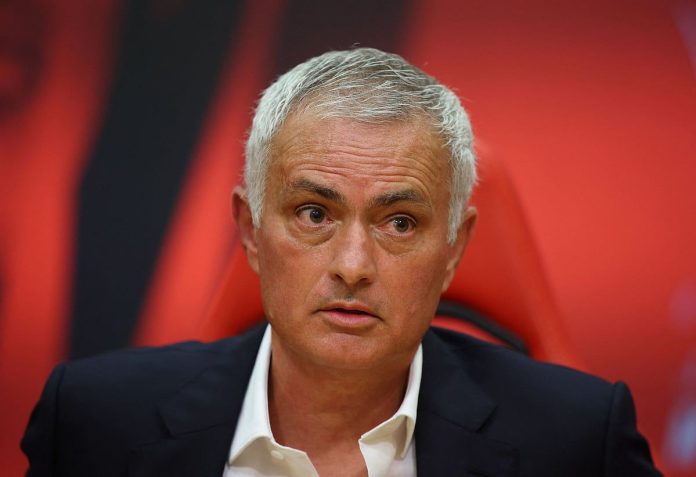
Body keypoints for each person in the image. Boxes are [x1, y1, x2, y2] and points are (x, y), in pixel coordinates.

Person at [21, 48, 661, 477]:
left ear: (454, 250)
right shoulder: (93, 422)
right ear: (250, 231)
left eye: (400, 222)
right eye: (314, 214)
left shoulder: (579, 441)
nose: (353, 266)